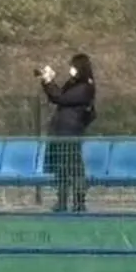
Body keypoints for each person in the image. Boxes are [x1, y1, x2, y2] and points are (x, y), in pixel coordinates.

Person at [41, 53, 96, 213]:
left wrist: (49, 82)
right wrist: (48, 82)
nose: (71, 69)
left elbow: (61, 98)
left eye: (73, 66)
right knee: (61, 167)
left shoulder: (85, 87)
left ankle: (79, 202)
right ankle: (62, 201)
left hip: (71, 131)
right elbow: (58, 95)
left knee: (74, 167)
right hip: (61, 130)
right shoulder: (73, 84)